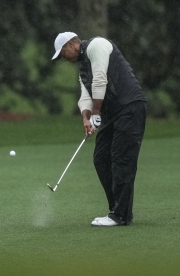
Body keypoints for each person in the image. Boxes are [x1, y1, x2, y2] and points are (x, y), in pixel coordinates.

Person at [51, 32, 147, 226]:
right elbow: (85, 96)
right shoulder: (83, 68)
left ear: (71, 44)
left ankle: (120, 215)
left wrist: (96, 113)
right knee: (101, 158)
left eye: (63, 53)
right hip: (111, 114)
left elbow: (100, 80)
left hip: (129, 107)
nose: (64, 58)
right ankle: (116, 210)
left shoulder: (98, 45)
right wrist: (86, 117)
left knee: (121, 159)